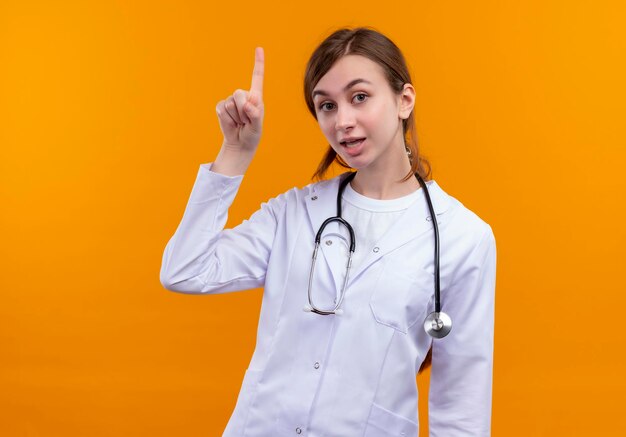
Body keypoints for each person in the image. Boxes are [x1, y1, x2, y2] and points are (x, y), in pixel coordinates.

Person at [160, 27, 497, 437]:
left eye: (359, 97)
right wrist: (235, 152)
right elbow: (185, 270)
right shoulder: (296, 212)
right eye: (326, 106)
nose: (343, 122)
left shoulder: (463, 237)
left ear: (404, 100)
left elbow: (460, 407)